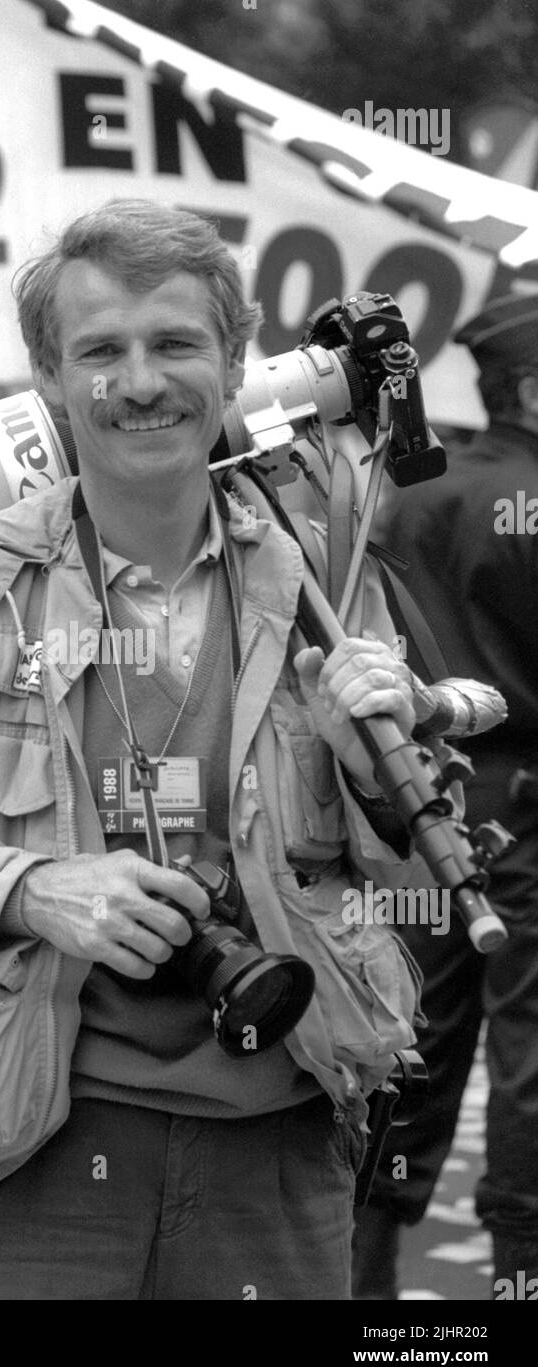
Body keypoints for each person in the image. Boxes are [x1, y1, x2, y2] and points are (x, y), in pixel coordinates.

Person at [0, 200, 430, 1302]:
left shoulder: (330, 593)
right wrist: (28, 890)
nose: (139, 383)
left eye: (174, 343)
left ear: (231, 358)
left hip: (276, 1157)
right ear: (49, 375)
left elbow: (420, 885)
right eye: (101, 351)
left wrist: (373, 776)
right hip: (27, 1162)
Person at [352, 294, 538, 1299]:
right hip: (522, 798)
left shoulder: (412, 493)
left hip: (418, 802)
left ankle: (365, 1290)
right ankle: (520, 1277)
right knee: (533, 1052)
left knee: (406, 1041)